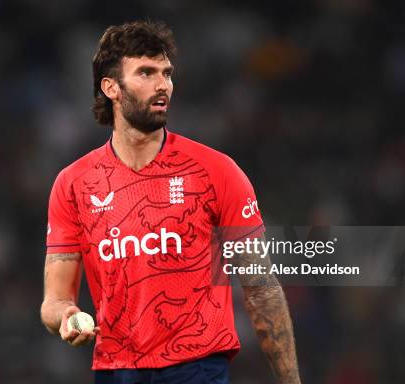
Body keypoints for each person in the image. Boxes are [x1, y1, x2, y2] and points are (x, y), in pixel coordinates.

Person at [41, 20, 301, 384]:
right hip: (116, 371)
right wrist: (66, 317)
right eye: (146, 73)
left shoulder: (216, 171)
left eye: (166, 73)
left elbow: (262, 289)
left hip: (197, 368)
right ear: (111, 87)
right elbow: (53, 301)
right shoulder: (74, 184)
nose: (162, 84)